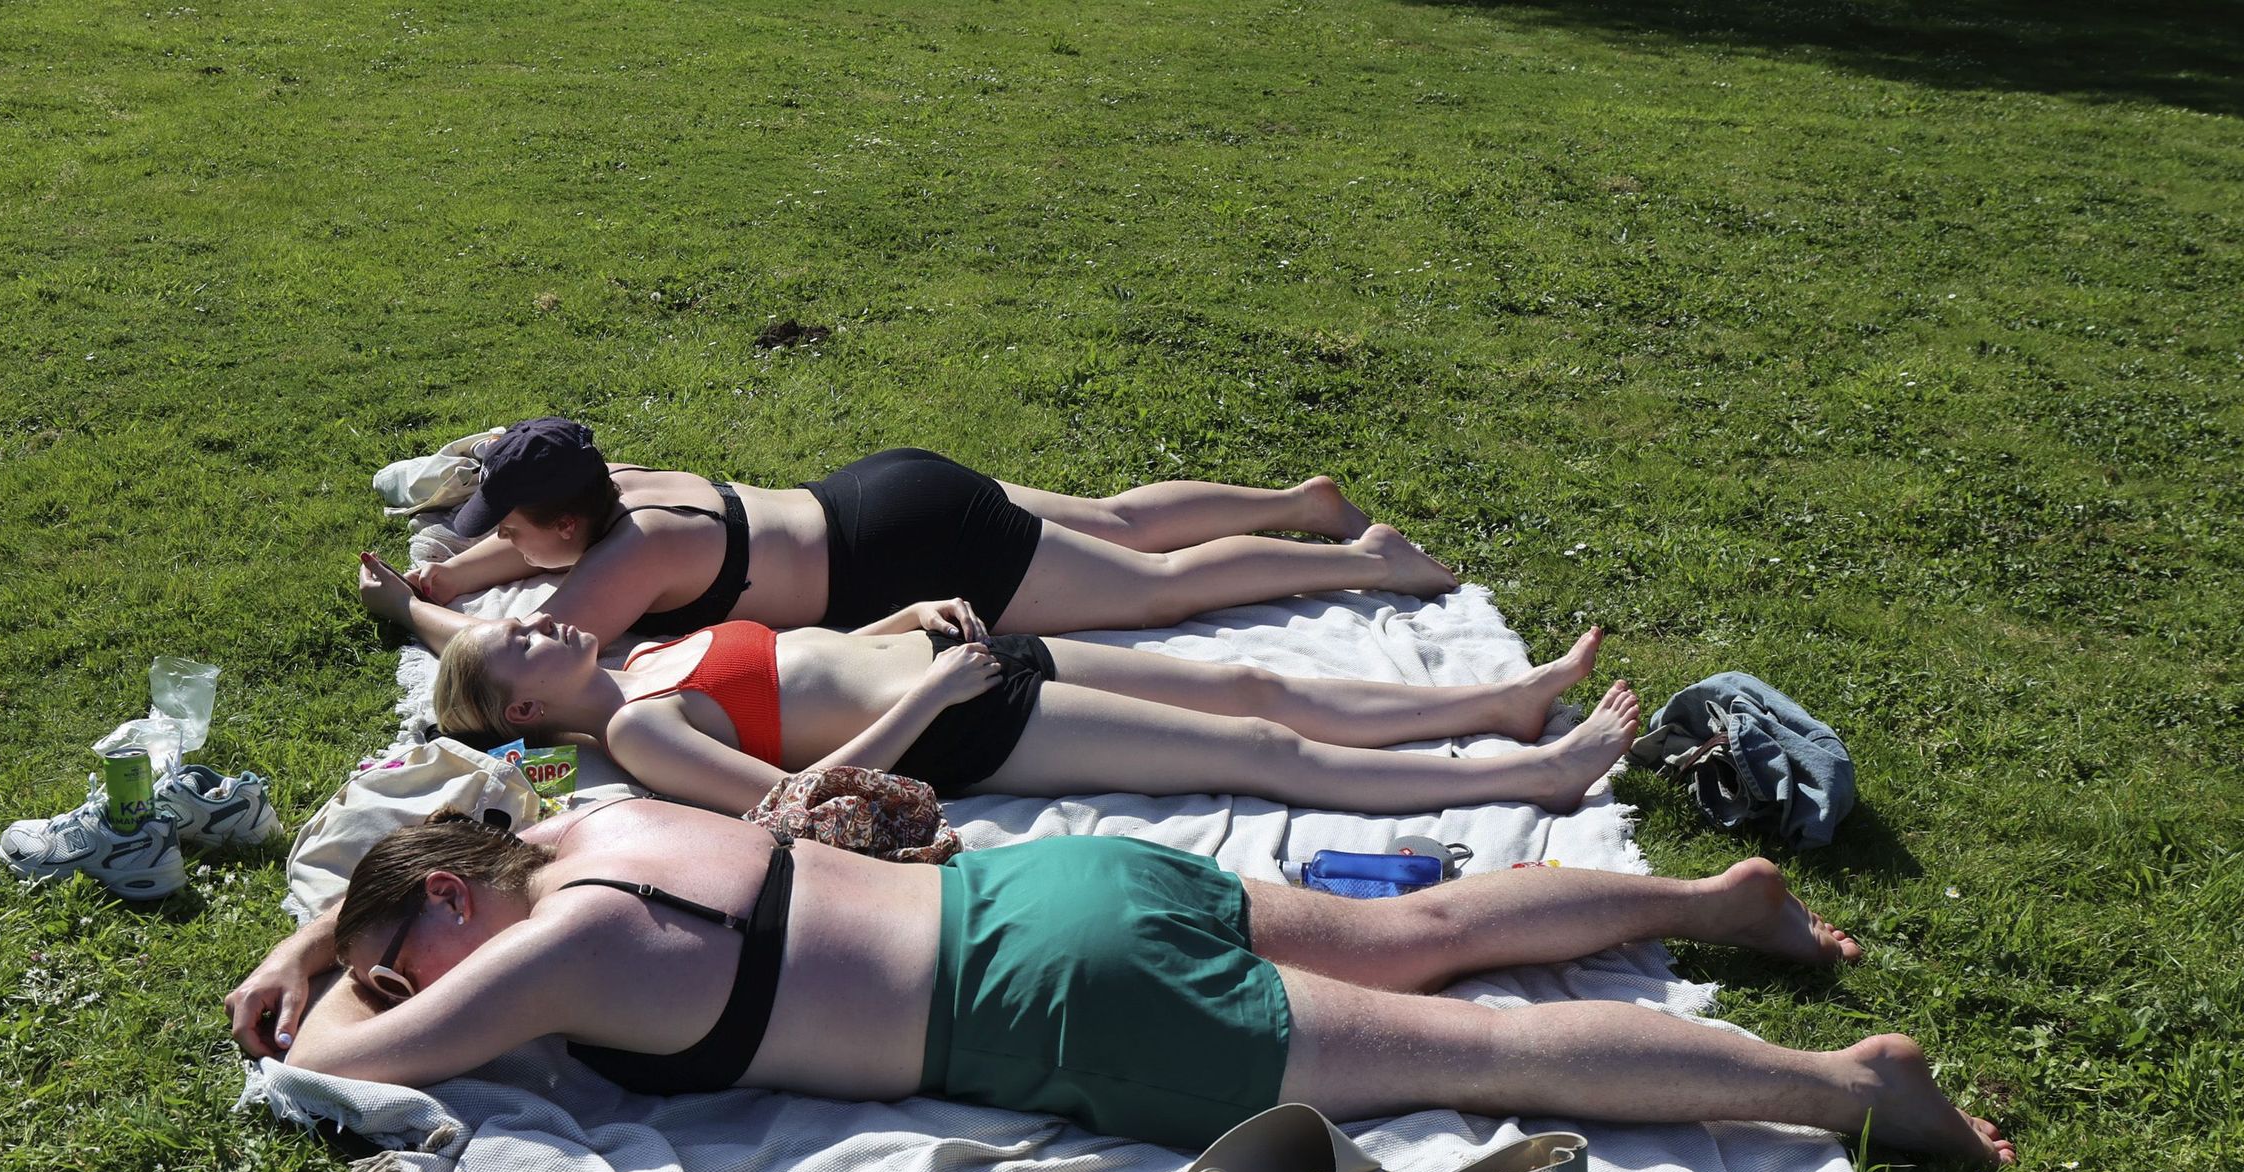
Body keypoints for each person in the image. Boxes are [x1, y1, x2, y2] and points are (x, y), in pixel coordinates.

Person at [225, 798, 2015, 1165]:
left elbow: (359, 1064)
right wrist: (321, 930)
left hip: (1064, 1001)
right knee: (1426, 931)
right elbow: (433, 870)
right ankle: (1717, 899)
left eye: (404, 946)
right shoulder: (595, 825)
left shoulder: (561, 944)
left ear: (452, 900)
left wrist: (329, 976)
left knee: (1481, 1054)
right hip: (1060, 879)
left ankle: (1846, 1085)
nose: (401, 979)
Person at [358, 554, 1640, 816]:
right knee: (1259, 752)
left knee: (1252, 680)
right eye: (523, 643)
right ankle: (1534, 775)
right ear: (525, 710)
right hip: (968, 724)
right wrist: (937, 694)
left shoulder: (643, 659)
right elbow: (795, 798)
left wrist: (903, 623)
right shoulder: (644, 730)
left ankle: (1493, 707)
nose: (545, 621)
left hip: (962, 662)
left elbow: (809, 660)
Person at [396, 418, 1458, 639]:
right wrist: (454, 573)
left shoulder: (632, 557)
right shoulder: (624, 485)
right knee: (1123, 520)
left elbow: (518, 661)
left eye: (513, 533)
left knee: (1158, 590)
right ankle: (1301, 503)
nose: (504, 548)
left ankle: (1368, 560)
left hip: (907, 552)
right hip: (883, 487)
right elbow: (522, 548)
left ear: (568, 520)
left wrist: (411, 613)